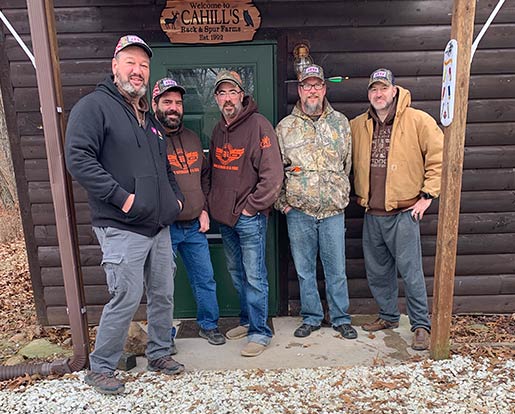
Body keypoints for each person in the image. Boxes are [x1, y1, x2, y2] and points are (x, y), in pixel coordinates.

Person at [65, 35, 185, 395]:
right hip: (121, 225)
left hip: (158, 226)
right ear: (114, 65)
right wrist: (123, 199)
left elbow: (164, 168)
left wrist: (175, 200)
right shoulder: (94, 107)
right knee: (127, 295)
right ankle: (101, 367)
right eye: (130, 62)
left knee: (163, 293)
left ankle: (160, 352)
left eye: (144, 65)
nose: (138, 70)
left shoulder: (148, 119)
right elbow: (78, 159)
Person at [350, 68, 443, 351]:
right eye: (373, 89)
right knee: (378, 272)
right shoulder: (358, 125)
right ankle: (389, 316)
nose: (378, 94)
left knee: (411, 272)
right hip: (372, 212)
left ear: (394, 90)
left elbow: (440, 156)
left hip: (404, 212)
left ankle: (420, 326)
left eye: (383, 88)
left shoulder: (418, 121)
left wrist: (428, 196)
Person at [275, 64, 357, 340]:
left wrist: (339, 192)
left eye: (316, 85)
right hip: (299, 211)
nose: (312, 90)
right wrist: (283, 204)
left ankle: (340, 317)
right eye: (306, 85)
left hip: (334, 210)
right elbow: (276, 170)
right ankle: (311, 316)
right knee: (304, 270)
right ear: (299, 90)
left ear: (324, 89)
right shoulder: (285, 128)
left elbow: (347, 165)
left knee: (336, 269)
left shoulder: (341, 124)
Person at [208, 70, 283, 357]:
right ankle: (247, 320)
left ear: (242, 95)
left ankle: (260, 332)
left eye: (232, 92)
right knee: (237, 273)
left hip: (249, 217)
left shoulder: (259, 125)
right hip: (225, 218)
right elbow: (215, 173)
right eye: (222, 93)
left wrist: (252, 207)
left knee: (254, 276)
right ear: (217, 98)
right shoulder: (218, 130)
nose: (227, 99)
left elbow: (273, 175)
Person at [151, 77, 225, 347]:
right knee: (162, 286)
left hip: (194, 225)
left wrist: (203, 209)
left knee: (205, 279)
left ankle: (209, 325)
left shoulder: (194, 139)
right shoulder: (148, 139)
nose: (174, 108)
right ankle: (164, 337)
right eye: (167, 102)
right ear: (155, 103)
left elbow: (204, 176)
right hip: (164, 228)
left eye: (178, 103)